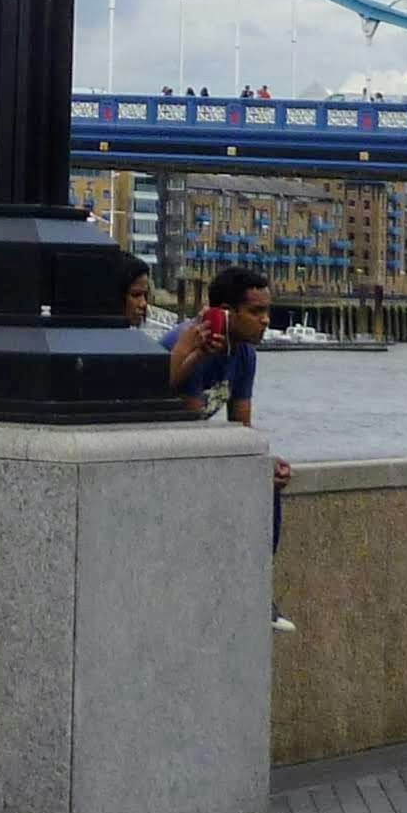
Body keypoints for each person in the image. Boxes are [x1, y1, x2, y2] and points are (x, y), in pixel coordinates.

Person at [173, 266, 298, 636]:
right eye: (256, 312)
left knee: (266, 479)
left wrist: (267, 464)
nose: (266, 320)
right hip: (166, 453)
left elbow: (242, 430)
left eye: (267, 311)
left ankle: (258, 586)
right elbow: (190, 428)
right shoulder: (193, 345)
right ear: (226, 313)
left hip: (198, 451)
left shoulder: (244, 355)